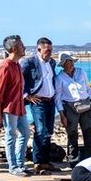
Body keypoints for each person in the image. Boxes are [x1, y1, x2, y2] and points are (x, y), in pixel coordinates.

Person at [0, 35, 30, 177]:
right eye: (22, 45)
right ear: (14, 48)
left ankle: (20, 164)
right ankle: (13, 166)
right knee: (10, 136)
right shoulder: (4, 66)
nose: (24, 47)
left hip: (20, 107)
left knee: (25, 134)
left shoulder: (17, 65)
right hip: (9, 109)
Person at [20, 37, 59, 173]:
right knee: (40, 130)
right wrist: (27, 96)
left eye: (51, 50)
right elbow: (19, 80)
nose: (49, 53)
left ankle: (45, 161)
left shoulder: (52, 63)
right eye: (47, 50)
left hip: (50, 101)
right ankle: (37, 161)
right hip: (38, 101)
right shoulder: (29, 62)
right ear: (39, 49)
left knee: (48, 131)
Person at [54, 51, 91, 165]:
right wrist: (62, 114)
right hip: (69, 107)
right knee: (72, 134)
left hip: (86, 106)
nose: (71, 63)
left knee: (88, 133)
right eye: (68, 61)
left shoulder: (81, 72)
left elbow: (88, 87)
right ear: (63, 64)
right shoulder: (59, 78)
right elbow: (57, 97)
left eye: (72, 61)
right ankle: (73, 160)